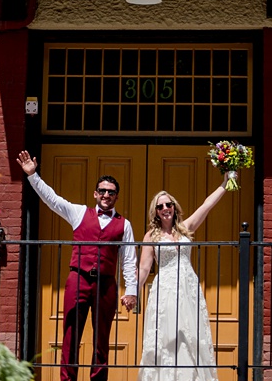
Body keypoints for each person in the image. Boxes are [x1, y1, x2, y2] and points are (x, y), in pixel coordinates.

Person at [17, 150, 138, 381]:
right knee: (71, 335)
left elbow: (129, 259)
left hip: (106, 285)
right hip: (78, 279)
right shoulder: (80, 212)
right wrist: (33, 176)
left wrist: (131, 291)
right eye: (102, 191)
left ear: (116, 197)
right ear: (95, 193)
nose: (106, 195)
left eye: (111, 192)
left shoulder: (125, 224)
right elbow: (52, 200)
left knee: (102, 340)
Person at [136, 176, 235, 381]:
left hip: (188, 288)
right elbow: (144, 268)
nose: (165, 208)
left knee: (191, 335)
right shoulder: (151, 236)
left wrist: (226, 182)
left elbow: (207, 205)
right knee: (166, 335)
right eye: (160, 206)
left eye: (168, 204)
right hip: (165, 290)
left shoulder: (186, 228)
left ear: (174, 207)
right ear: (155, 211)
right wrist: (132, 293)